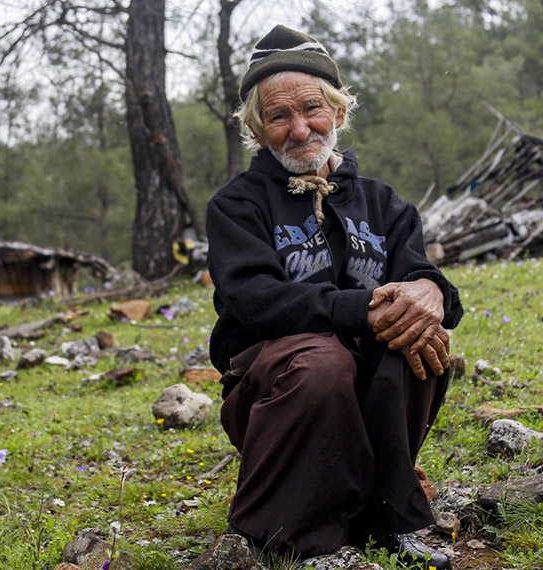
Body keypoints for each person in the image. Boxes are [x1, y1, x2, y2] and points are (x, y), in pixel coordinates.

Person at [206, 24, 463, 570]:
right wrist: (361, 310)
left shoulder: (383, 203)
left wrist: (431, 294)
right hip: (278, 385)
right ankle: (284, 529)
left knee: (417, 339)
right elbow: (254, 301)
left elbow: (424, 278)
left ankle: (389, 516)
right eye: (278, 116)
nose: (300, 130)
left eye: (312, 109)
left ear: (339, 112)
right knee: (326, 359)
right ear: (258, 128)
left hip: (362, 380)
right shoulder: (237, 206)